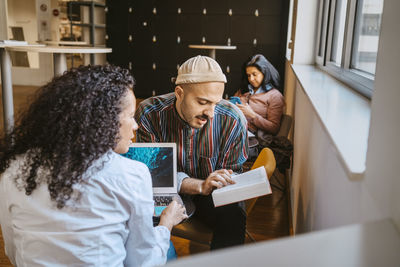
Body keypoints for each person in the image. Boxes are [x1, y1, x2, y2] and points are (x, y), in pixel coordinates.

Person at [0, 65, 187, 267]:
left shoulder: (14, 170)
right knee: (165, 249)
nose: (136, 126)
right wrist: (166, 224)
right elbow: (142, 263)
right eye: (131, 116)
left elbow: (12, 251)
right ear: (105, 120)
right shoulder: (131, 174)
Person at [135, 55, 249, 250]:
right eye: (203, 102)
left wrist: (221, 181)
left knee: (234, 211)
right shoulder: (149, 114)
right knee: (138, 209)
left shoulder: (232, 119)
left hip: (211, 195)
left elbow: (233, 173)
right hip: (166, 191)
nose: (211, 113)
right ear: (179, 93)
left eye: (215, 103)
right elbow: (154, 177)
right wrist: (199, 185)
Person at [234, 54, 285, 136]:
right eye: (248, 75)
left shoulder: (274, 96)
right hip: (234, 128)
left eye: (254, 74)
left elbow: (274, 128)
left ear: (264, 73)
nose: (251, 79)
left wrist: (252, 115)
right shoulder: (244, 89)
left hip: (252, 137)